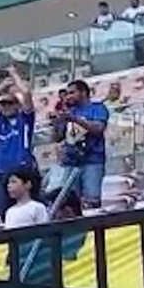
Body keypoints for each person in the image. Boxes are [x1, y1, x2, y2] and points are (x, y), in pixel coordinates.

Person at [0, 67, 36, 216]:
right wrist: (3, 86)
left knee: (28, 208)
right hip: (2, 175)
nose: (5, 107)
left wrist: (13, 74)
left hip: (22, 172)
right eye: (3, 104)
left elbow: (26, 93)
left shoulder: (25, 120)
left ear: (17, 105)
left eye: (10, 103)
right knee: (3, 212)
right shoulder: (1, 122)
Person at [53, 79, 110, 208]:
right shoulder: (68, 111)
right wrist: (56, 124)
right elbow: (57, 138)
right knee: (68, 202)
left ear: (83, 92)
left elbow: (98, 128)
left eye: (72, 93)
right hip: (70, 162)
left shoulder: (97, 108)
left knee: (92, 200)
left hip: (92, 161)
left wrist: (75, 119)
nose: (68, 97)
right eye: (67, 93)